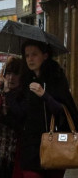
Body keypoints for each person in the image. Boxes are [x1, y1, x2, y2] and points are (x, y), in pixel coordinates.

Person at [18, 39, 78, 178]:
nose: (30, 59)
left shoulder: (56, 78)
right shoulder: (26, 79)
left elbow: (63, 111)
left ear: (45, 55)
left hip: (55, 145)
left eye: (34, 54)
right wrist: (8, 92)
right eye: (27, 55)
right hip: (31, 147)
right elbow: (20, 112)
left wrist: (44, 95)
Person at [0, 56, 24, 178]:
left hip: (14, 153)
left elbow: (19, 117)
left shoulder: (24, 95)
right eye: (8, 73)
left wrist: (8, 95)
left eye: (16, 74)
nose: (11, 77)